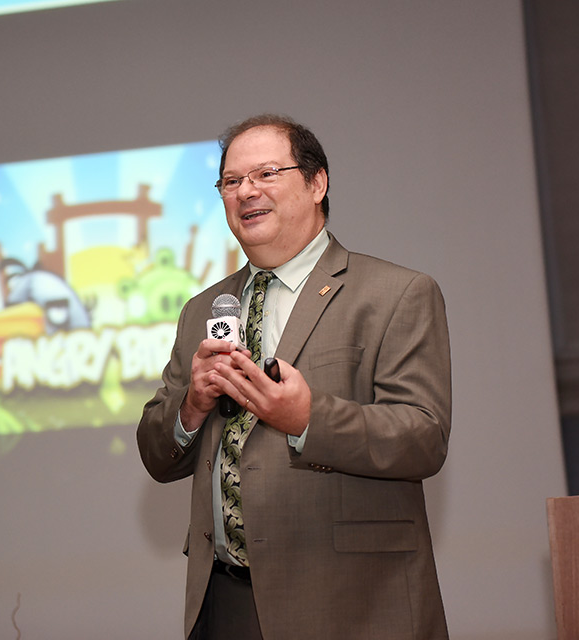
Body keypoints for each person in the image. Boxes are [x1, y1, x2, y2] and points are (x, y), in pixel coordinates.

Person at [136, 114, 452, 640]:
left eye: (265, 174)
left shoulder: (395, 293)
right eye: (231, 182)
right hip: (225, 600)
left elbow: (423, 438)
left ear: (317, 183)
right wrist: (192, 405)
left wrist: (307, 419)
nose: (246, 192)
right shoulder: (202, 310)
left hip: (353, 601)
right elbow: (156, 454)